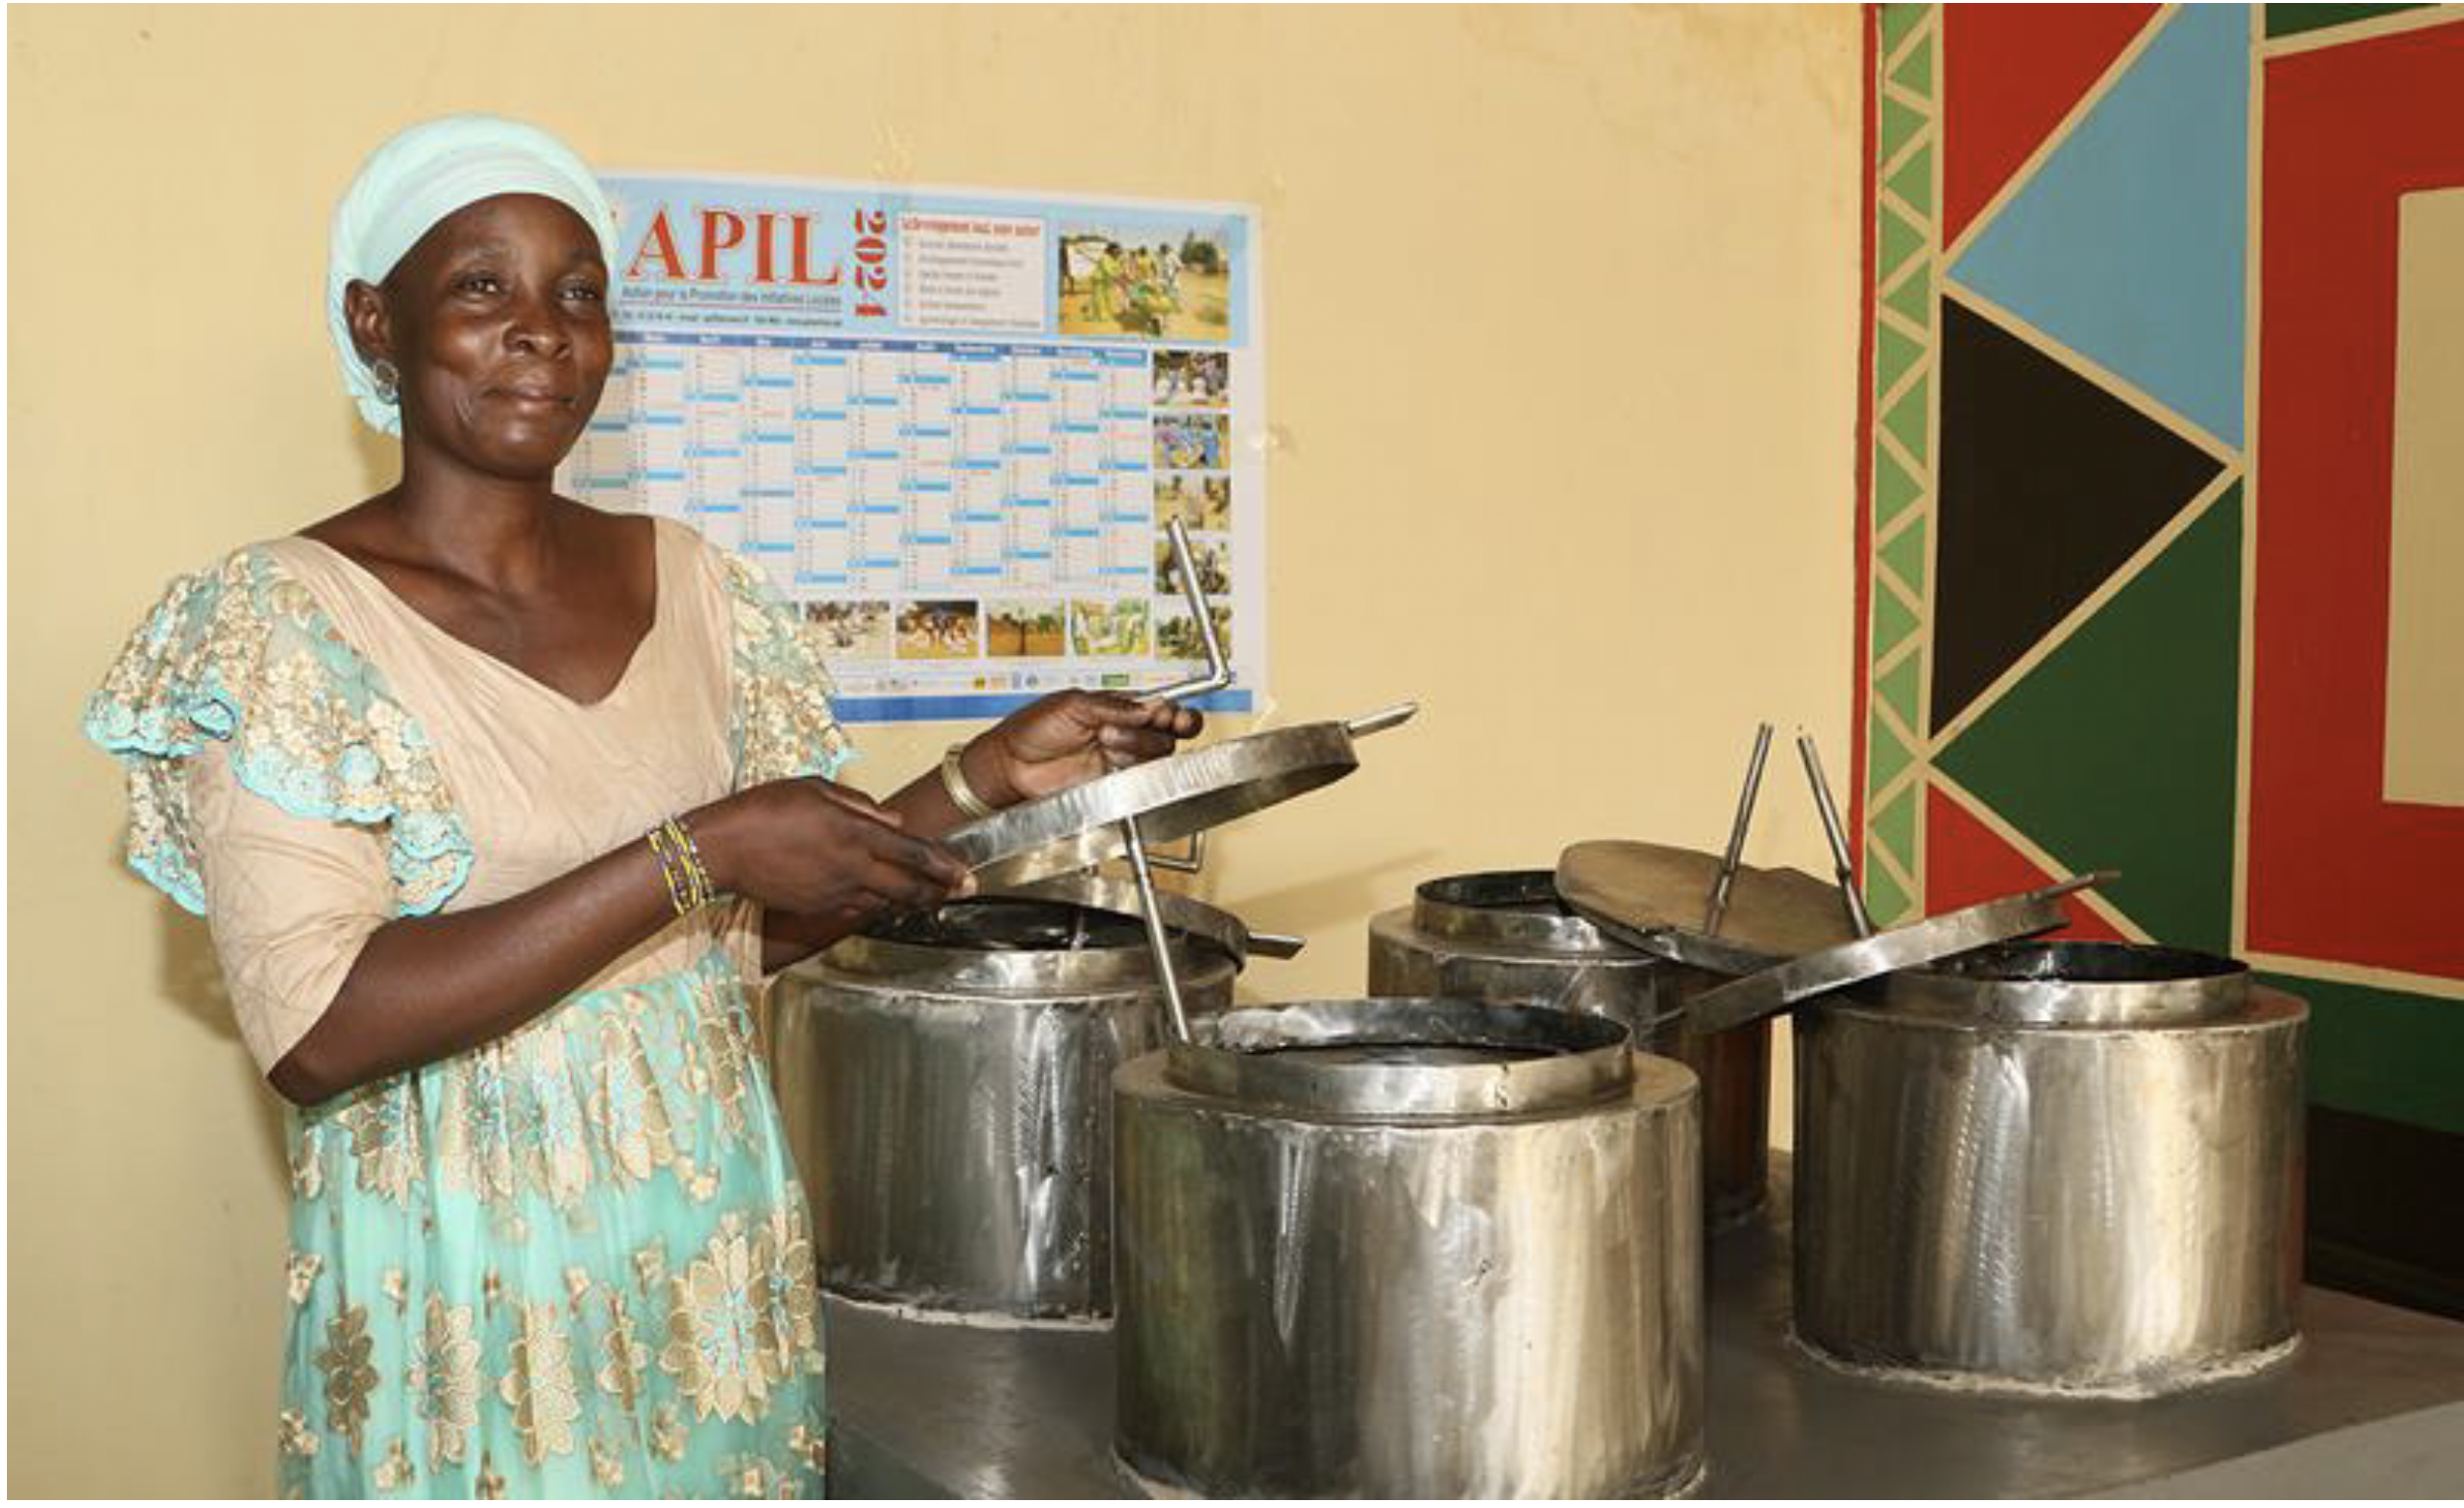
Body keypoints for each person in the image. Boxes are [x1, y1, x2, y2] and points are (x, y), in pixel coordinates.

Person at [80, 116, 1197, 1499]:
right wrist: (693, 853)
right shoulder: (274, 626)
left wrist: (983, 782)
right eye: (482, 286)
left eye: (579, 294)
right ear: (377, 321)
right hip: (470, 1289)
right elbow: (318, 1030)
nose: (543, 331)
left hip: (707, 1270)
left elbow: (728, 937)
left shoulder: (696, 584)